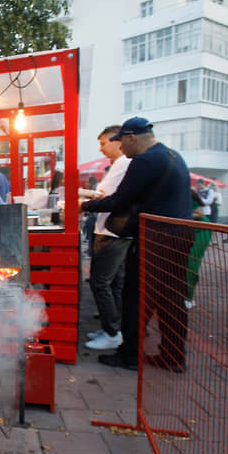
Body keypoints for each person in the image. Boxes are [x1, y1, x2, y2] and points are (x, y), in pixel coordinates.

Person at [80, 117, 193, 372]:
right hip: (181, 235)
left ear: (132, 138)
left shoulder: (144, 160)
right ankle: (173, 356)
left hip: (156, 236)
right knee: (171, 298)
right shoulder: (172, 155)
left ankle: (129, 354)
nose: (122, 149)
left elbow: (119, 201)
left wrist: (84, 206)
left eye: (122, 142)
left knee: (137, 295)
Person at [82, 125, 133, 350]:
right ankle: (111, 327)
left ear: (117, 141)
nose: (101, 149)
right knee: (112, 283)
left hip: (112, 233)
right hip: (112, 231)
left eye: (103, 143)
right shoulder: (117, 165)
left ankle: (112, 332)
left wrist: (82, 200)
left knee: (100, 282)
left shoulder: (124, 163)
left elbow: (105, 196)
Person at [185, 188, 211, 308]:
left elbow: (199, 213)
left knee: (191, 262)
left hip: (200, 230)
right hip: (185, 230)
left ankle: (188, 298)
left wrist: (179, 215)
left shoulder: (187, 192)